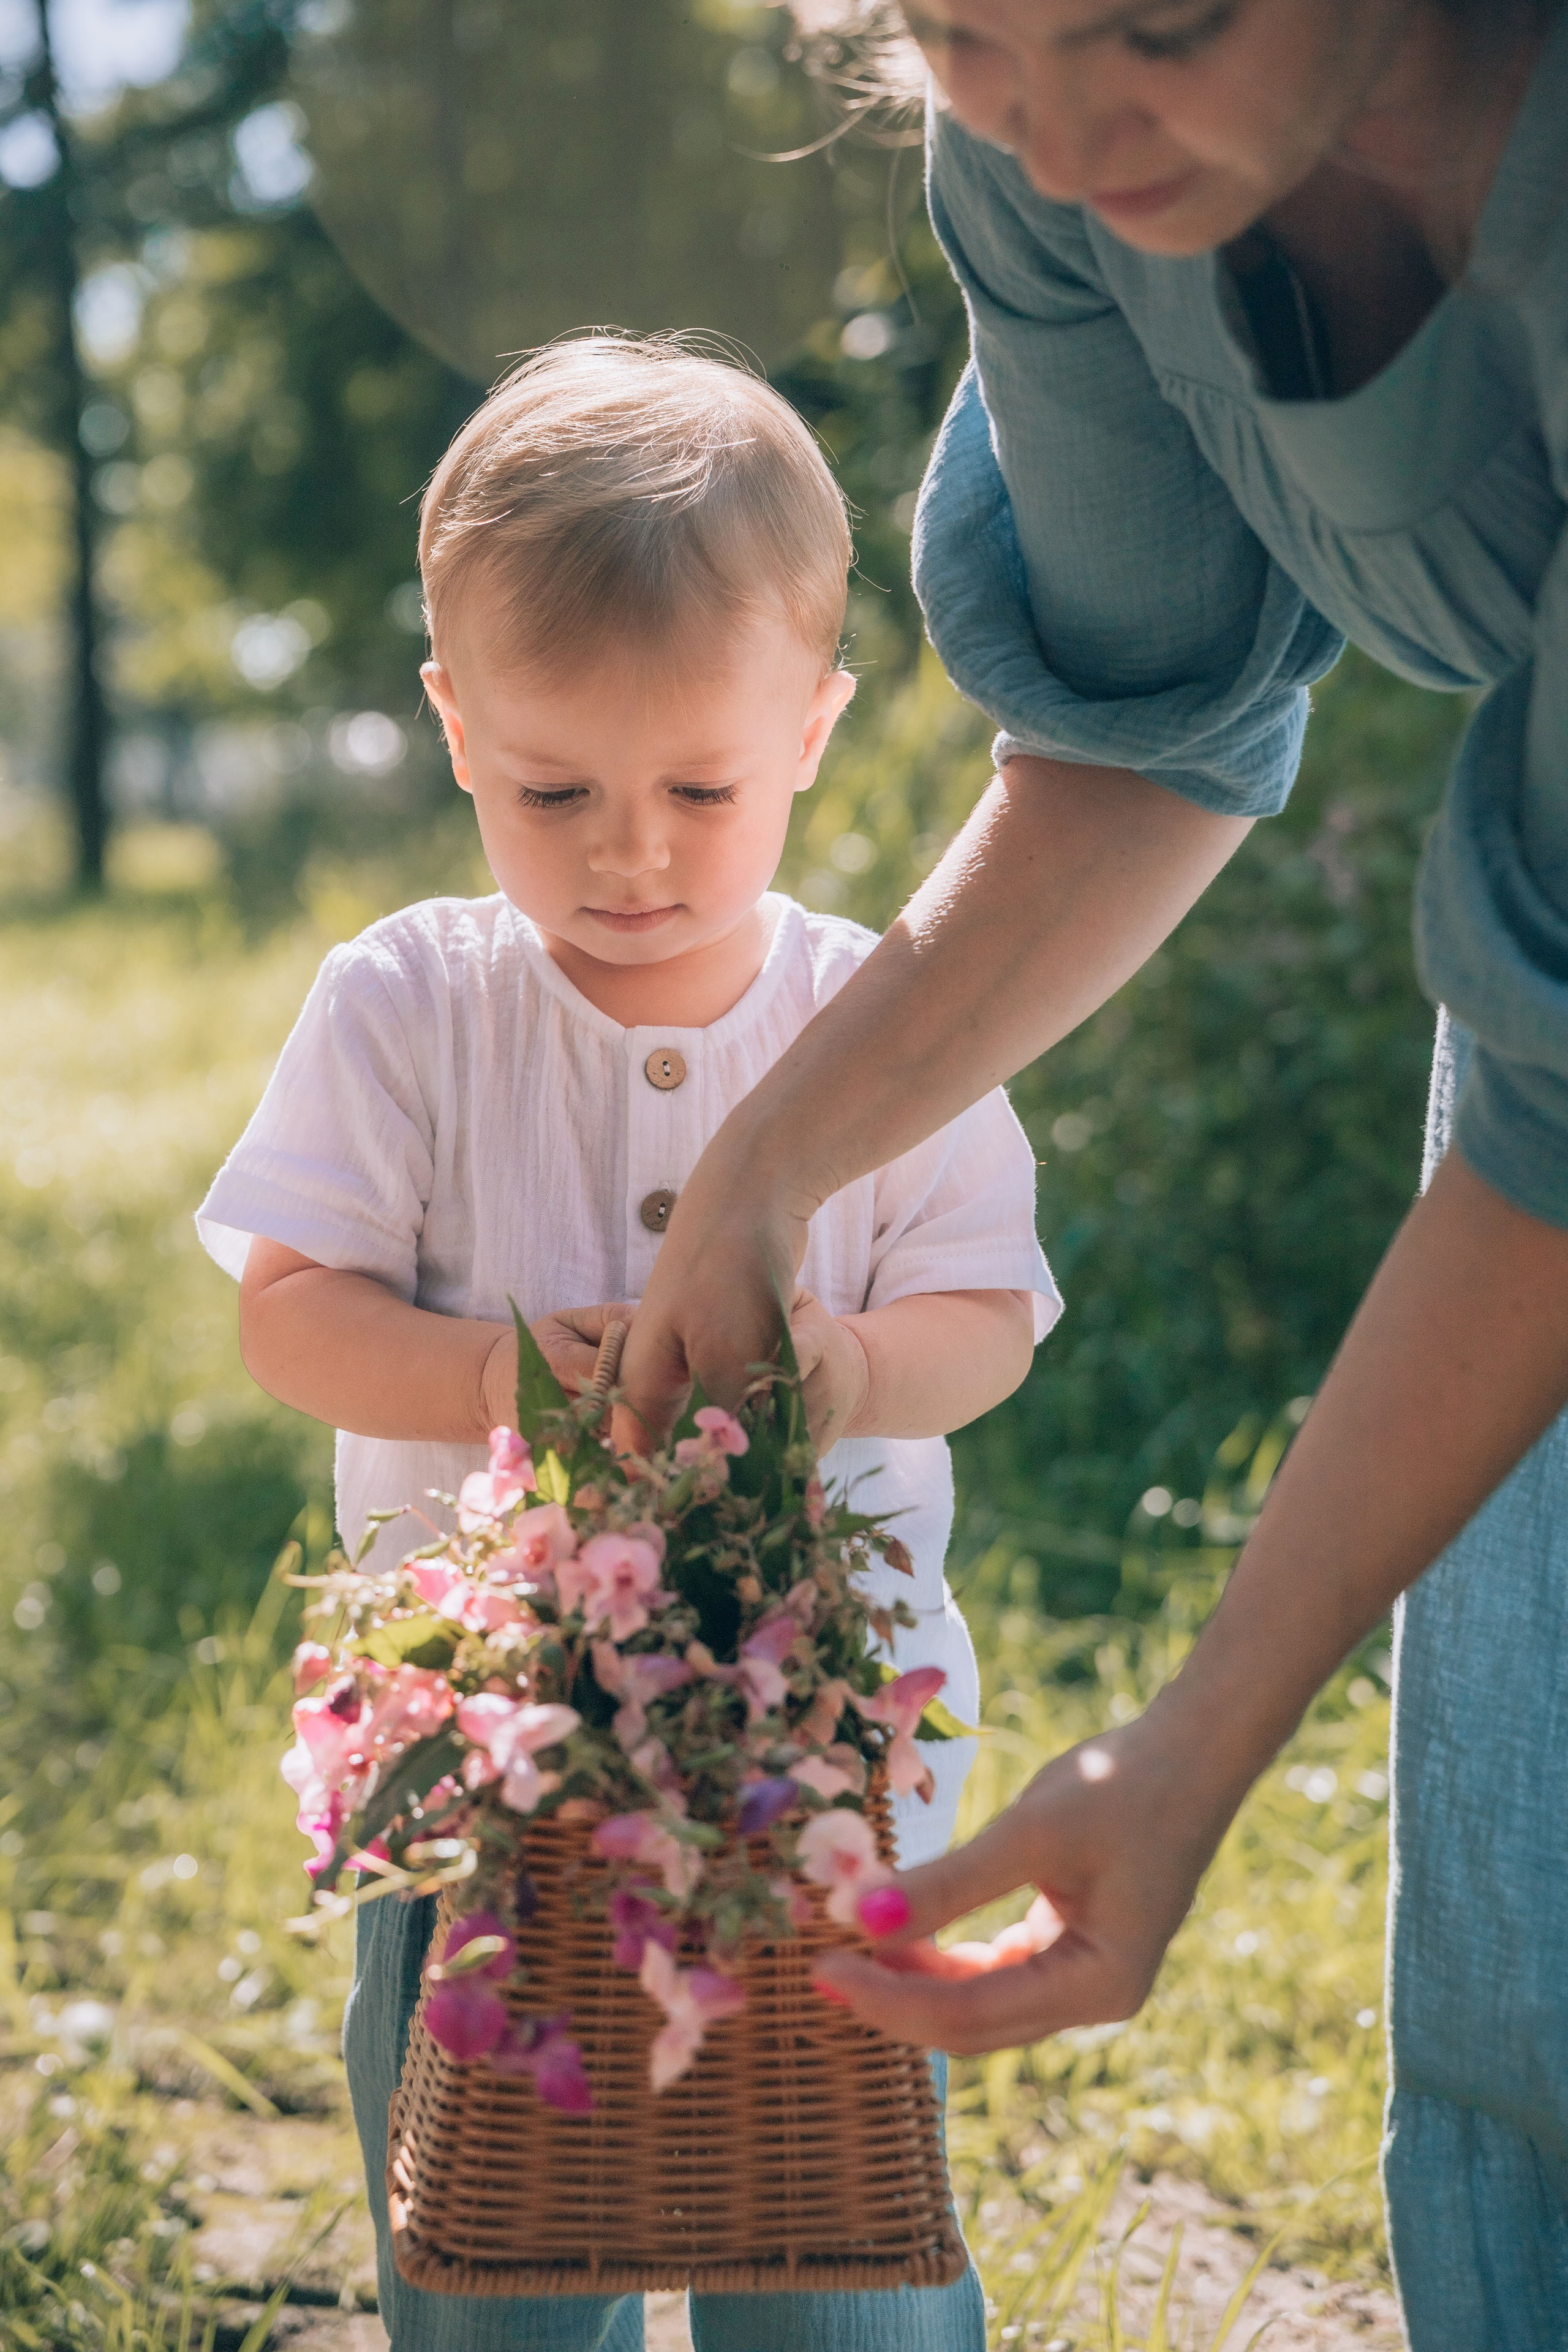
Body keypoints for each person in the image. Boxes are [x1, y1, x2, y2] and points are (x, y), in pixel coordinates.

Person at [611, 4, 1568, 2339]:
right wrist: (759, 1172)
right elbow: (1149, 727)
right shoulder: (1047, 167)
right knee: (1530, 1954)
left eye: (1159, 21)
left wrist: (1190, 1735)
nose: (1050, 122)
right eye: (960, 30)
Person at [196, 334, 1058, 2352]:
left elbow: (991, 1315)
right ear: (453, 728)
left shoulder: (889, 1014)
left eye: (702, 787)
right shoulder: (411, 1003)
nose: (633, 854)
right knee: (495, 2238)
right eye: (551, 786)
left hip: (818, 1764)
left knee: (830, 2240)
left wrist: (843, 1368)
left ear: (821, 730)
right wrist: (494, 1386)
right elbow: (292, 1312)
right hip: (485, 1770)